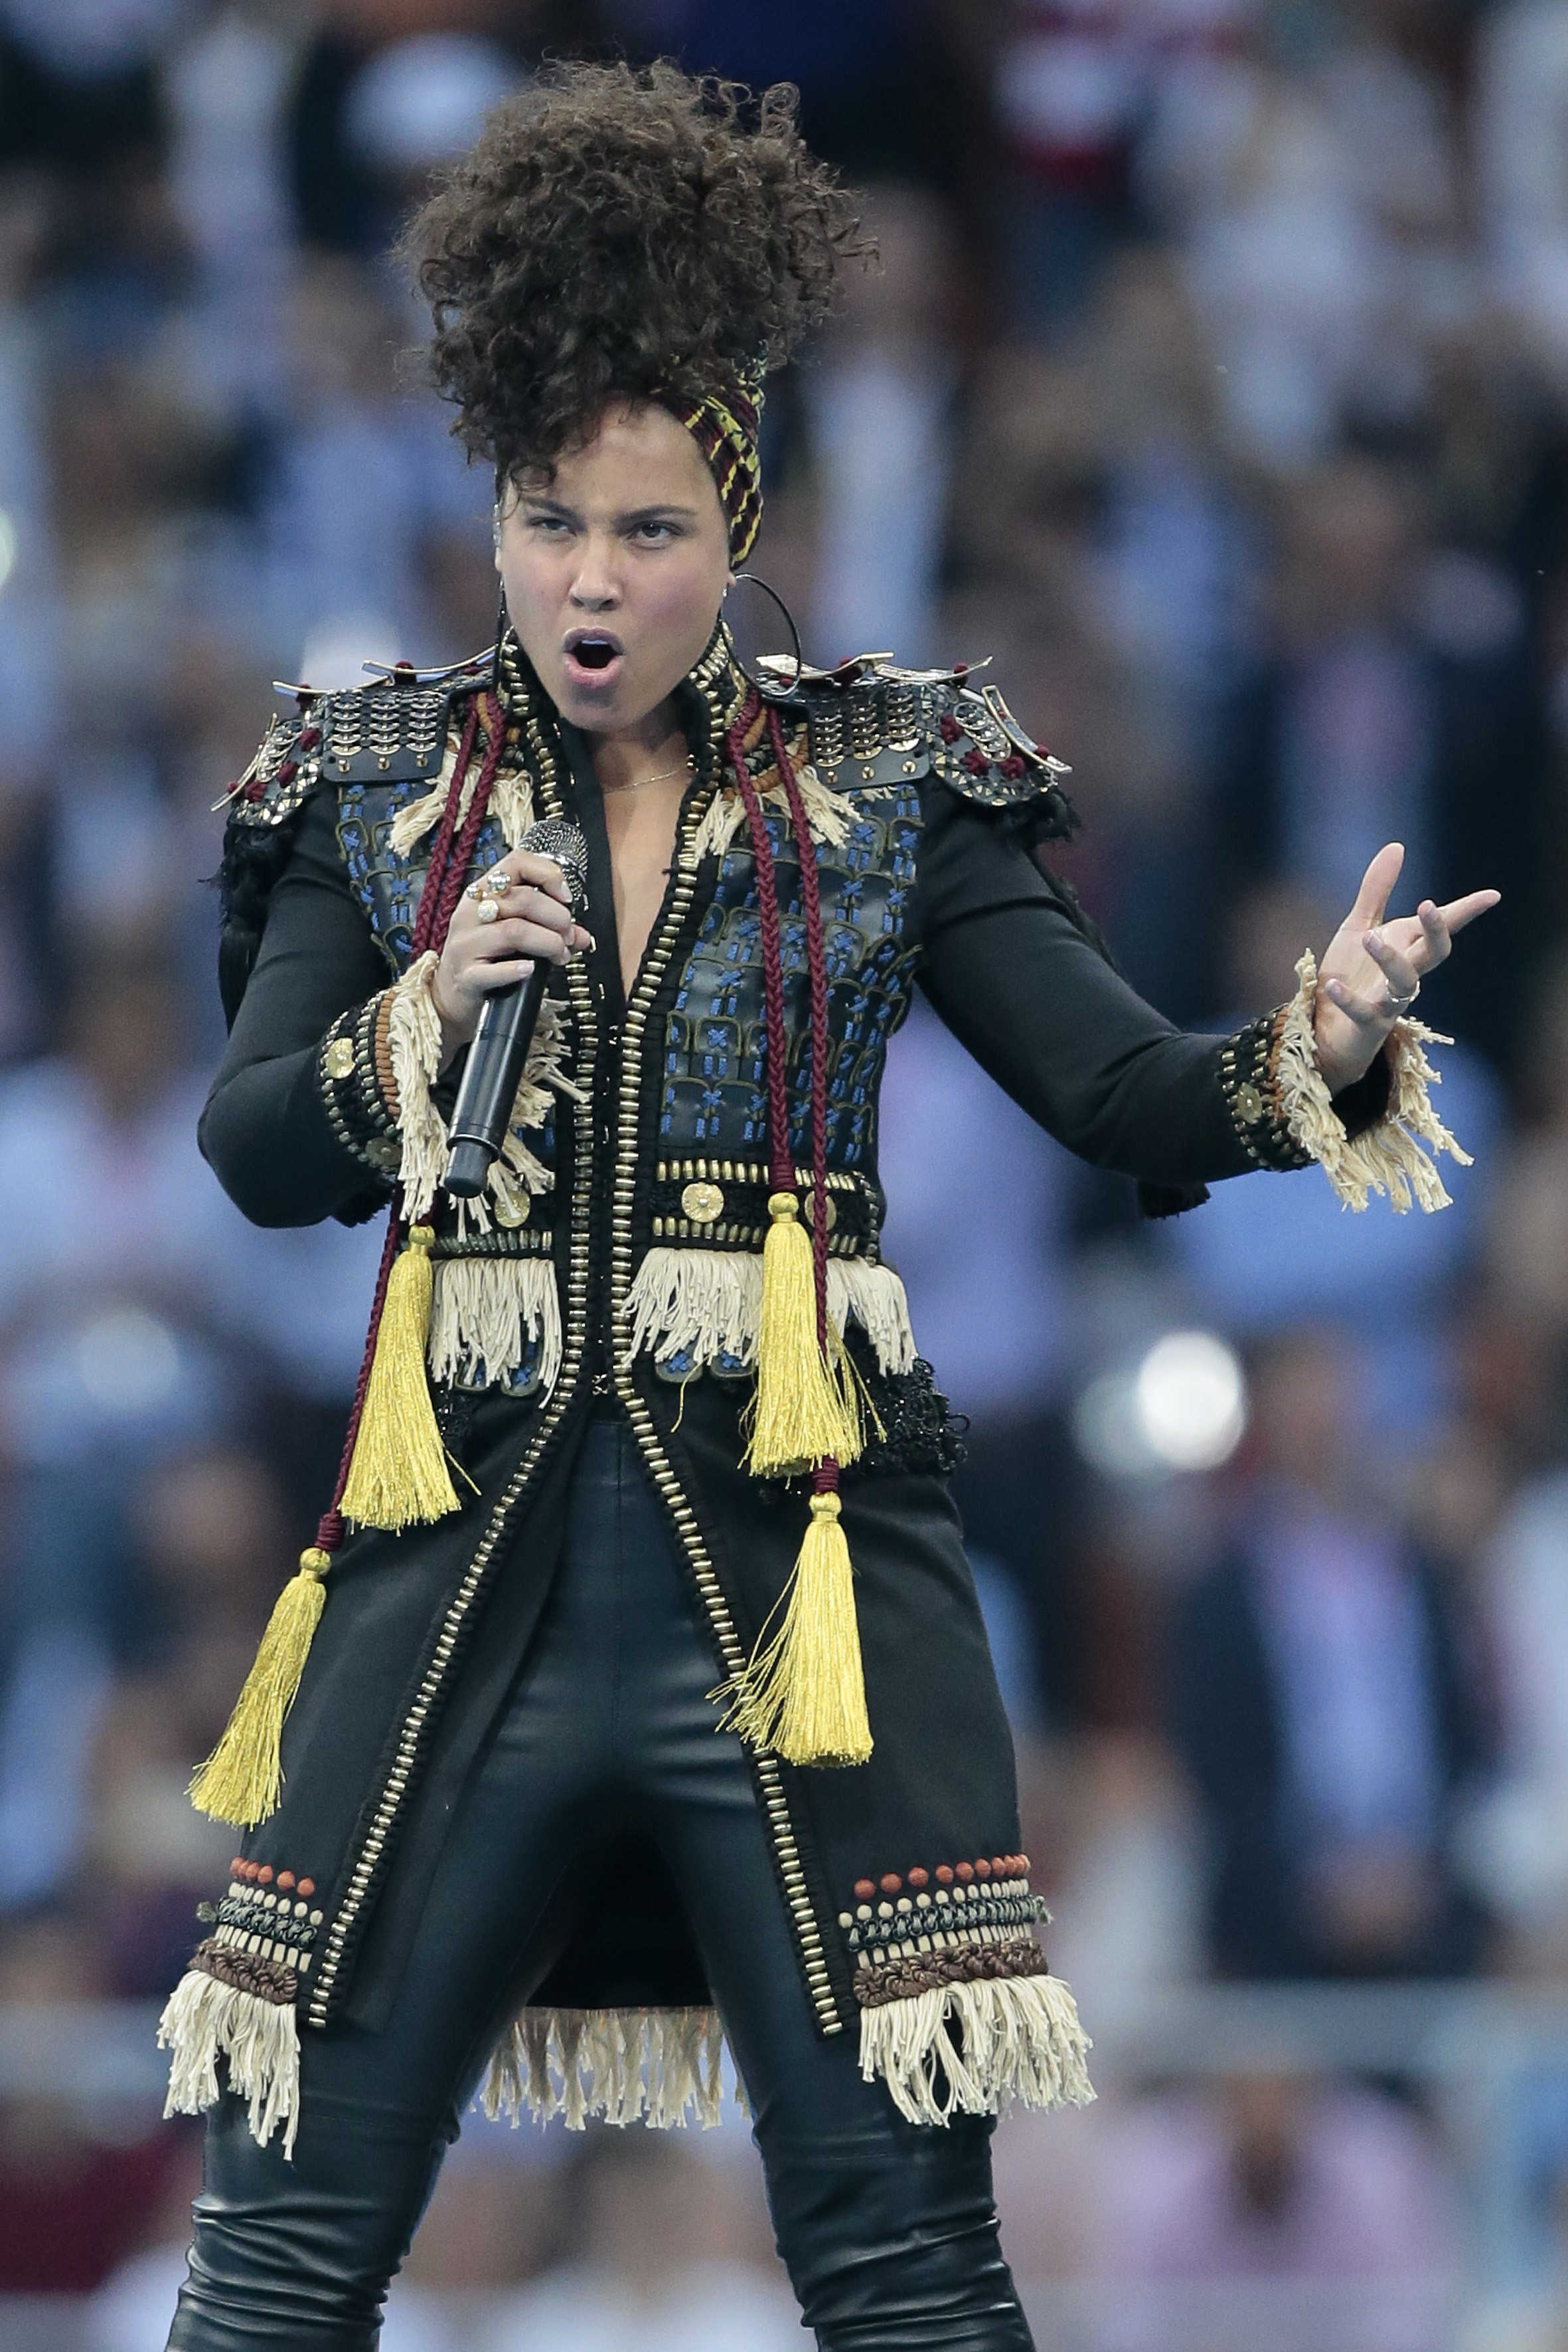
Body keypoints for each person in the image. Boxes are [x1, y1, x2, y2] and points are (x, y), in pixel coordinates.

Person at [157, 61, 1498, 2352]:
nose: (595, 580)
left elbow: (1121, 1096)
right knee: (279, 2271)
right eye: (553, 521)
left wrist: (1331, 1038)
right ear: (489, 512)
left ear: (740, 522)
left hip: (799, 1608)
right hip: (441, 1596)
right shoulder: (367, 783)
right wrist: (417, 1020)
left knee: (903, 2273)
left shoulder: (897, 781)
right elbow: (256, 1152)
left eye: (654, 529)